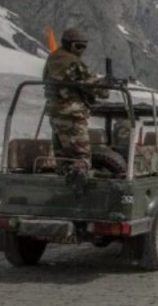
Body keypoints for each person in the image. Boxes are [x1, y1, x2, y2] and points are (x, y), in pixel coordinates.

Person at [42, 28, 109, 190]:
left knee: (63, 158)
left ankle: (62, 191)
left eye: (83, 47)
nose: (81, 51)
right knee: (81, 157)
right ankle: (79, 196)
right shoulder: (73, 62)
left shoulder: (53, 58)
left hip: (55, 114)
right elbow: (97, 89)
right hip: (72, 115)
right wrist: (105, 85)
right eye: (79, 47)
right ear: (70, 45)